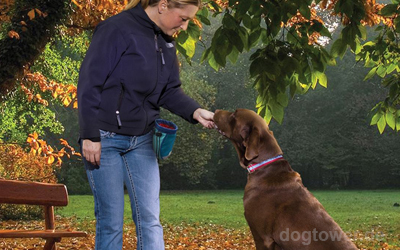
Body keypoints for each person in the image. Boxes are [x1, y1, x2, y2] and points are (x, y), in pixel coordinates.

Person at [77, 0, 214, 249]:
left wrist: (196, 111)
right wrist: (89, 135)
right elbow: (89, 84)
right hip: (105, 139)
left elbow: (169, 91)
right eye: (183, 18)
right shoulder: (115, 29)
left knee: (150, 220)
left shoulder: (166, 41)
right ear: (163, 6)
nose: (184, 27)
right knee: (110, 222)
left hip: (142, 141)